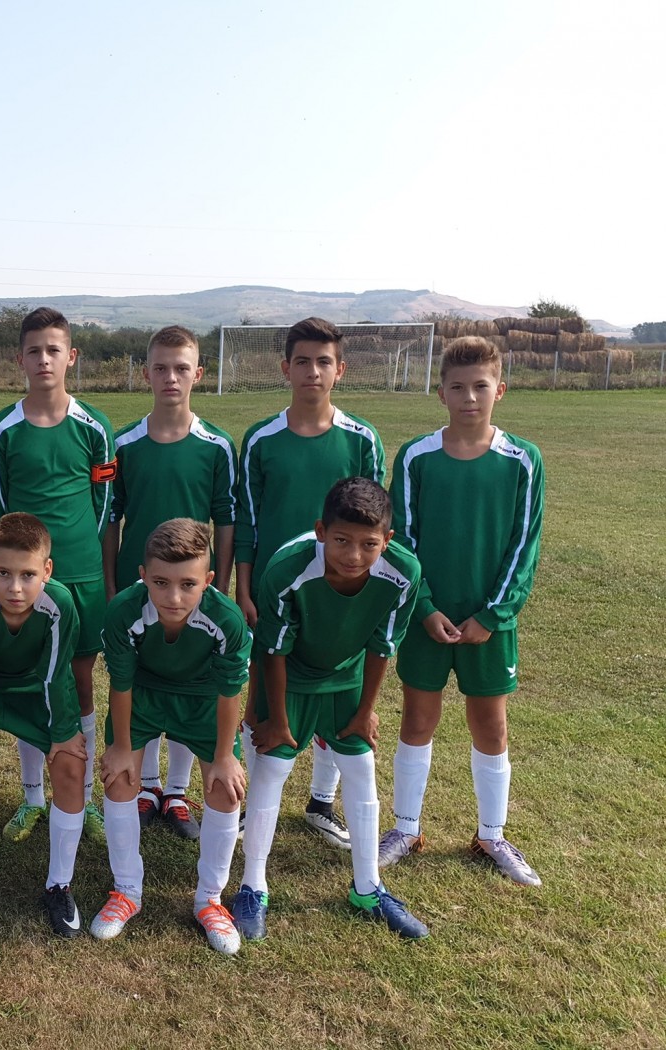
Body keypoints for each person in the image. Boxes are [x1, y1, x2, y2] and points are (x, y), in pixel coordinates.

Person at [379, 336, 545, 886]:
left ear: (501, 390)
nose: (469, 397)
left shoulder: (523, 460)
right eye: (457, 387)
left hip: (489, 623)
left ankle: (492, 835)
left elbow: (524, 545)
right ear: (441, 393)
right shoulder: (416, 457)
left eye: (480, 386)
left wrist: (492, 615)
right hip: (426, 620)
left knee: (490, 724)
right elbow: (401, 541)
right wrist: (424, 608)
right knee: (417, 719)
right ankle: (406, 828)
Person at [238, 478, 429, 941]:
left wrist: (365, 711)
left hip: (346, 676)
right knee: (271, 771)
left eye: (369, 544)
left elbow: (383, 646)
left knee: (361, 768)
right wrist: (277, 719)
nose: (354, 555)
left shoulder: (404, 572)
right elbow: (273, 650)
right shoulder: (287, 568)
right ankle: (252, 886)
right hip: (290, 677)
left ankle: (368, 888)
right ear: (321, 531)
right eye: (342, 541)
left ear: (388, 540)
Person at [234, 317, 385, 849]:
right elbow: (248, 520)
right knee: (263, 696)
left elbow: (375, 523)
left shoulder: (362, 439)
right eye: (302, 361)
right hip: (274, 593)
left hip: (339, 595)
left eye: (324, 362)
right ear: (285, 368)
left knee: (334, 689)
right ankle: (254, 805)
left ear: (340, 370)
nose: (313, 371)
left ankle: (322, 802)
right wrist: (244, 588)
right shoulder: (261, 439)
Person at [0, 308, 113, 846]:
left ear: (71, 357)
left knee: (79, 682)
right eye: (34, 350)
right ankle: (33, 796)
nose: (44, 359)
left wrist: (89, 565)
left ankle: (83, 796)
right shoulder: (1, 429)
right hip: (24, 580)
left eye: (53, 350)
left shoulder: (95, 427)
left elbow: (104, 503)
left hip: (79, 576)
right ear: (20, 359)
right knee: (35, 680)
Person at [104, 324, 238, 840]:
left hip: (192, 590)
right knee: (143, 679)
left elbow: (225, 520)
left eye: (182, 368)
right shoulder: (124, 444)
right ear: (146, 374)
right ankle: (147, 786)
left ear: (198, 374)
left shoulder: (216, 445)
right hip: (143, 587)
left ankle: (177, 792)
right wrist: (114, 585)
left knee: (189, 680)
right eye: (160, 368)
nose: (171, 378)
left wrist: (218, 587)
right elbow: (111, 517)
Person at [93, 519, 251, 953]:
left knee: (225, 788)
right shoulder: (124, 610)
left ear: (209, 580)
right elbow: (121, 682)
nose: (174, 597)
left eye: (188, 584)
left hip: (202, 699)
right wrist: (121, 748)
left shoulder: (227, 619)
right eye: (161, 583)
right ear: (143, 575)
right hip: (144, 694)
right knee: (119, 778)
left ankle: (210, 900)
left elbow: (229, 691)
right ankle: (127, 890)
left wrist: (225, 756)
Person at [0, 512, 89, 937]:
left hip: (38, 691)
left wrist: (62, 735)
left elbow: (56, 676)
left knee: (71, 767)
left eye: (28, 575)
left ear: (47, 570)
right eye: (4, 573)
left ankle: (59, 885)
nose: (15, 588)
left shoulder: (60, 604)